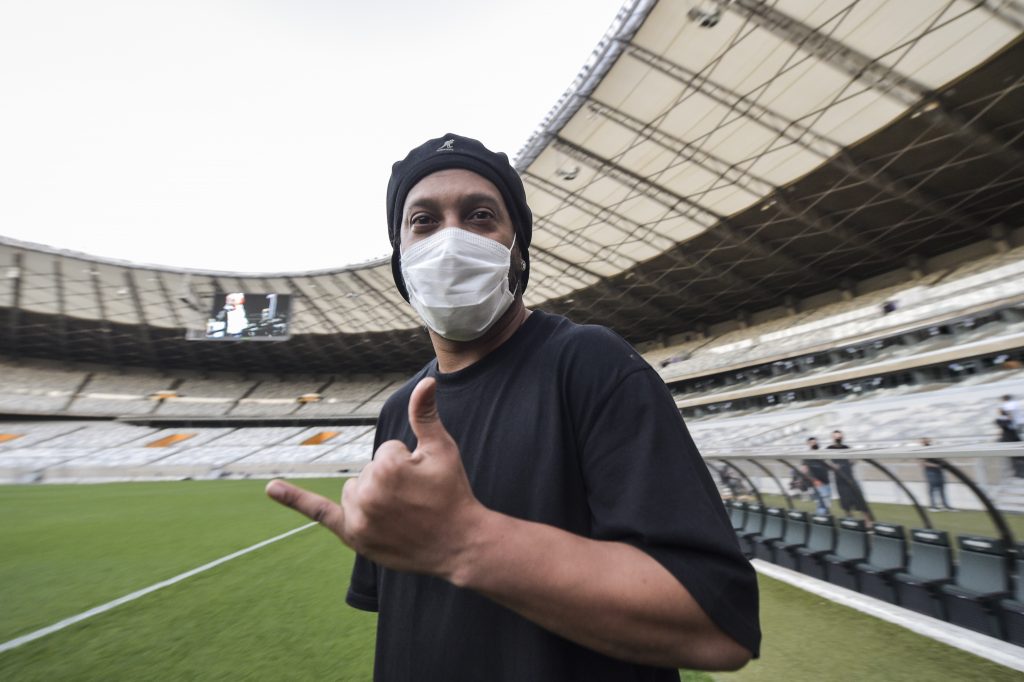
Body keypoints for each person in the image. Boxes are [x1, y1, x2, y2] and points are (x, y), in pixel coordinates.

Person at [265, 133, 759, 679]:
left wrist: (464, 542)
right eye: (423, 221)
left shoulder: (590, 363)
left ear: (517, 248)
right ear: (401, 262)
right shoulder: (398, 410)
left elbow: (718, 624)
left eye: (479, 216)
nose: (450, 239)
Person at [827, 430, 865, 517]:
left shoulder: (847, 447)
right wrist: (833, 465)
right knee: (845, 501)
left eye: (839, 436)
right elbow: (826, 461)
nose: (838, 438)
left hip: (850, 477)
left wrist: (852, 461)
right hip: (839, 480)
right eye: (836, 437)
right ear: (833, 438)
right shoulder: (829, 449)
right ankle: (850, 519)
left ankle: (867, 522)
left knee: (859, 498)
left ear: (842, 437)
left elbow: (854, 459)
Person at [919, 437, 952, 511]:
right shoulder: (921, 450)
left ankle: (945, 505)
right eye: (924, 439)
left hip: (939, 471)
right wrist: (937, 466)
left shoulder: (934, 448)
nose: (927, 440)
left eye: (927, 439)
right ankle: (933, 506)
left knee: (942, 488)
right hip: (931, 472)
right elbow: (922, 463)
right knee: (932, 489)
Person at [802, 436, 832, 515]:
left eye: (815, 442)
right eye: (812, 442)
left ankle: (825, 517)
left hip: (826, 480)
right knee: (822, 501)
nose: (814, 444)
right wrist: (814, 480)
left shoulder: (822, 453)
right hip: (817, 482)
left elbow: (827, 466)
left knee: (827, 501)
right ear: (808, 444)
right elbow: (805, 470)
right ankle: (821, 517)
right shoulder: (806, 455)